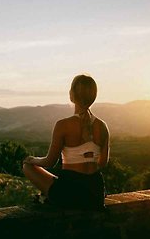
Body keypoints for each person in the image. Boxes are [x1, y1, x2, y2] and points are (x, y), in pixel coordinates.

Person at [23, 74, 110, 211]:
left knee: (27, 167)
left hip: (69, 192)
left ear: (72, 95)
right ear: (93, 97)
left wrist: (32, 159)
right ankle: (45, 197)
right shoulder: (103, 126)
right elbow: (102, 163)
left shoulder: (63, 125)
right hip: (95, 192)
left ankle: (45, 197)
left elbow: (50, 162)